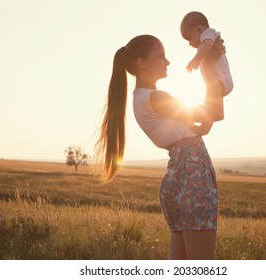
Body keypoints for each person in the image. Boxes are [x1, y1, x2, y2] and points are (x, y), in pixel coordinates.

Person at [95, 34, 226, 259]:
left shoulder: (142, 99)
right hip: (191, 176)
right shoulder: (155, 98)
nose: (167, 62)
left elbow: (203, 125)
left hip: (180, 176)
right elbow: (214, 113)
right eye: (161, 56)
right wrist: (211, 64)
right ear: (142, 63)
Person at [181, 11, 233, 97]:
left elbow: (208, 45)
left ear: (199, 30)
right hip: (219, 82)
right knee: (212, 100)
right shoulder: (204, 44)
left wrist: (196, 60)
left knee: (212, 99)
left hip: (221, 80)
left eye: (190, 38)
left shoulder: (208, 33)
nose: (189, 43)